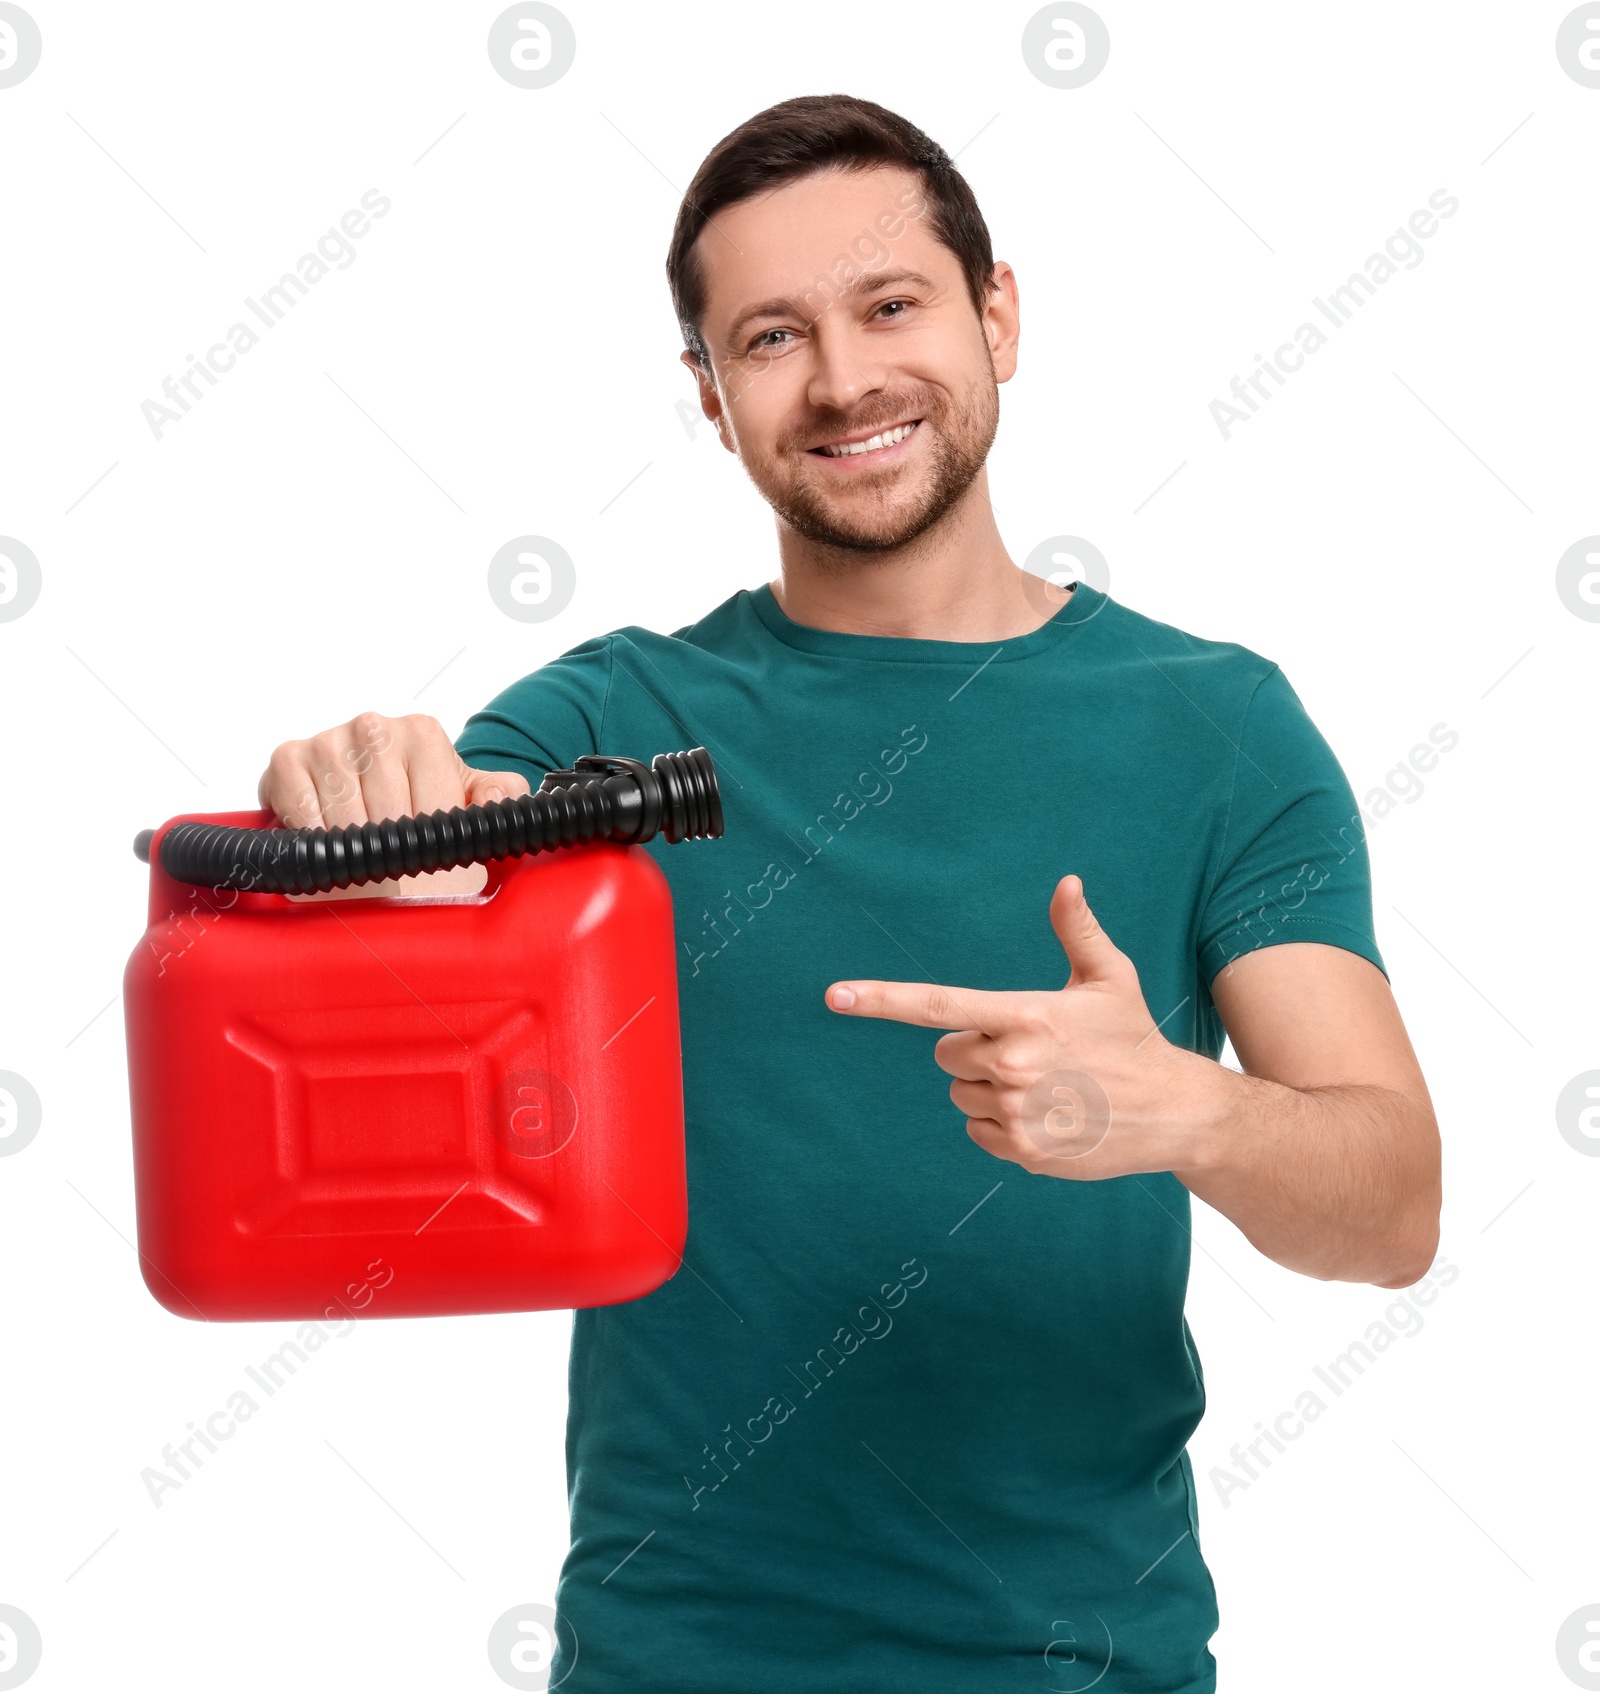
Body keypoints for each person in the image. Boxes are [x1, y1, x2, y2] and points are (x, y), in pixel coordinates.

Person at [260, 94, 1441, 1694]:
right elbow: (425, 885)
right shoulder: (613, 720)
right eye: (770, 335)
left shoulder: (1219, 725)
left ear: (997, 315)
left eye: (891, 306)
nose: (842, 379)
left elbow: (1395, 1208)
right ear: (710, 395)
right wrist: (349, 803)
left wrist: (1189, 1114)